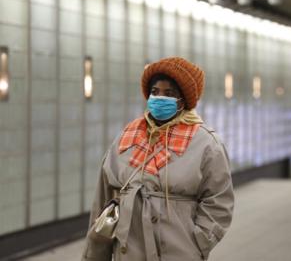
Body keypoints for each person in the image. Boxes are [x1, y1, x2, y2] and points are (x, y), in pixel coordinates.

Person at [82, 57, 234, 261]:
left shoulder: (206, 143)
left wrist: (197, 242)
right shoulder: (128, 137)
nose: (159, 98)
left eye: (169, 93)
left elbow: (219, 201)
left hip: (178, 252)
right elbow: (104, 196)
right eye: (155, 92)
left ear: (184, 100)